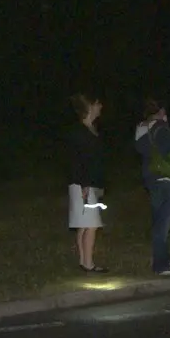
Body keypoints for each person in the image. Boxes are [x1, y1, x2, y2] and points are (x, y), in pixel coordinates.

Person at [134, 98, 170, 276]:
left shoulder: (142, 129)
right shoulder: (160, 127)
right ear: (160, 111)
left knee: (159, 221)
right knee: (163, 223)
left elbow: (144, 150)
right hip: (165, 178)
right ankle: (161, 264)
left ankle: (165, 260)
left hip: (151, 177)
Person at [66, 93, 108, 273]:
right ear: (90, 107)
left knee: (84, 223)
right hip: (83, 184)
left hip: (90, 183)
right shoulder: (79, 132)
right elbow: (77, 160)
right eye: (98, 103)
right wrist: (84, 184)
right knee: (91, 223)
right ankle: (89, 263)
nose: (101, 107)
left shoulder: (91, 129)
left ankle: (84, 261)